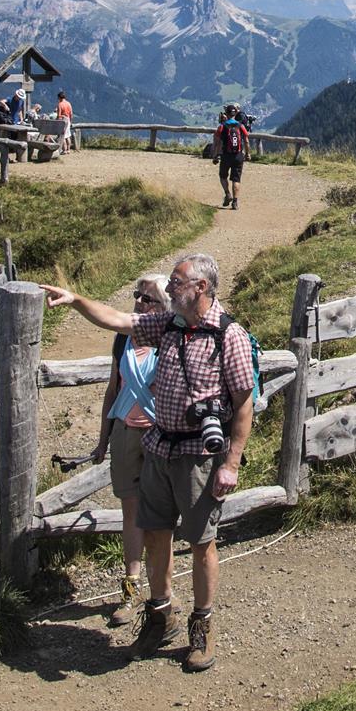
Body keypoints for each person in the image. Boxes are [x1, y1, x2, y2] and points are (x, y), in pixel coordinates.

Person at [41, 254, 256, 674]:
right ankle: (161, 616)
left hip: (199, 455)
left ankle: (203, 627)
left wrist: (230, 463)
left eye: (177, 282)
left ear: (202, 288)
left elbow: (244, 403)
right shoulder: (169, 324)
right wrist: (75, 299)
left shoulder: (229, 335)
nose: (170, 288)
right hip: (160, 447)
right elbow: (118, 321)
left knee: (200, 543)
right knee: (155, 533)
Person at [92, 276, 167, 627]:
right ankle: (132, 585)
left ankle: (161, 592)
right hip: (124, 429)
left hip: (156, 433)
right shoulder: (123, 338)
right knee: (131, 513)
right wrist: (103, 437)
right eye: (137, 296)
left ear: (164, 306)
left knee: (157, 517)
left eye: (148, 299)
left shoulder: (170, 337)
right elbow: (113, 386)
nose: (139, 302)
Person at [215, 104, 249, 211]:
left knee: (223, 176)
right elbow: (246, 141)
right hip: (238, 155)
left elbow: (218, 143)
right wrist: (247, 153)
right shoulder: (241, 126)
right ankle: (235, 202)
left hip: (226, 155)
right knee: (236, 179)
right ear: (235, 114)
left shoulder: (222, 126)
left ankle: (227, 193)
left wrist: (215, 155)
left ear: (227, 114)